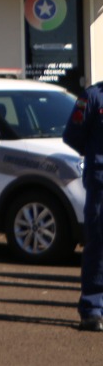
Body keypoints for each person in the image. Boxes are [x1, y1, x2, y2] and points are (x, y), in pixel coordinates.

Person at [62, 83, 103, 331]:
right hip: (101, 186)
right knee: (98, 246)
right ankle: (93, 310)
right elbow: (73, 135)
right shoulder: (93, 97)